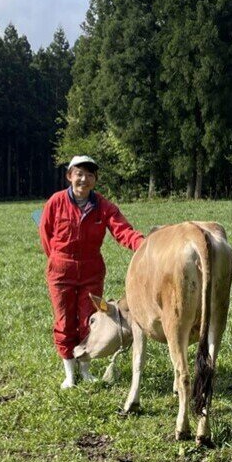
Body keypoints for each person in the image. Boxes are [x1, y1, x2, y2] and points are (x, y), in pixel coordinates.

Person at [38, 155, 145, 388]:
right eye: (79, 174)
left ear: (95, 180)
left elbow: (123, 231)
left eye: (89, 175)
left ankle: (85, 370)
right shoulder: (56, 202)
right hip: (61, 271)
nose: (83, 179)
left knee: (89, 321)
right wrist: (57, 259)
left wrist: (145, 245)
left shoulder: (104, 207)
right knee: (64, 321)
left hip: (91, 272)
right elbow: (45, 235)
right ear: (69, 176)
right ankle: (70, 374)